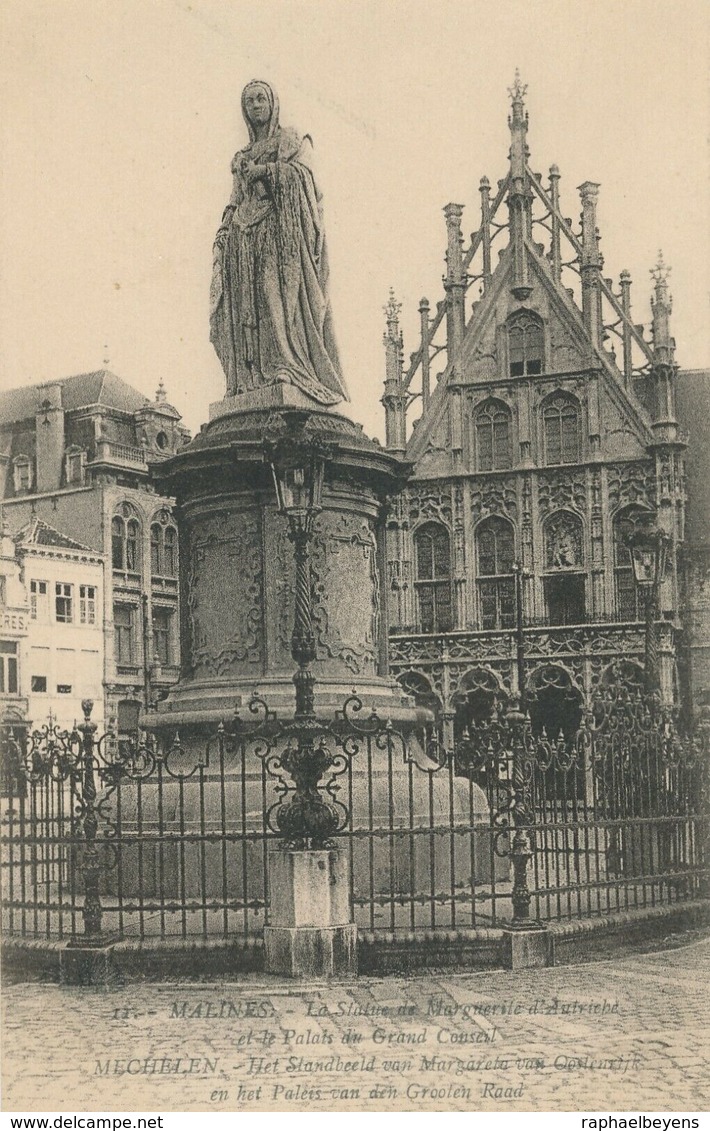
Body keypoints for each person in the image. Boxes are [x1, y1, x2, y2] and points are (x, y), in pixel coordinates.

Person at [209, 81, 349, 406]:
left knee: (274, 300)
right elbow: (235, 198)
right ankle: (251, 374)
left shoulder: (290, 140)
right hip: (243, 239)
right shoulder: (241, 156)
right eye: (249, 101)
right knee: (247, 305)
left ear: (273, 103)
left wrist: (266, 171)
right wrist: (222, 230)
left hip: (279, 236)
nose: (256, 105)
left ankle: (286, 362)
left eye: (261, 99)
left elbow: (305, 179)